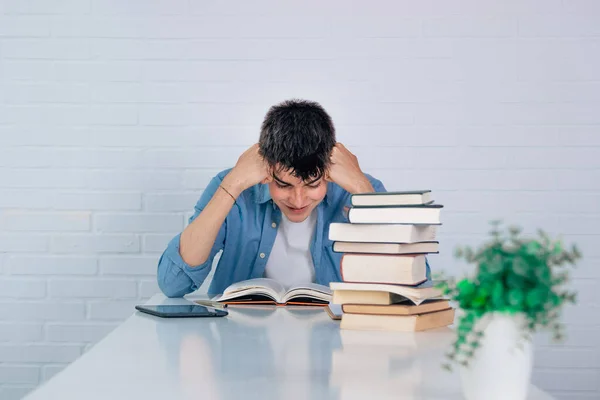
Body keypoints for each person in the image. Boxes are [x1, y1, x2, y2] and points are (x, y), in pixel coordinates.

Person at [157, 99, 423, 298]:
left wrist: (362, 189)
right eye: (283, 185)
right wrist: (233, 184)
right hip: (237, 344)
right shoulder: (231, 187)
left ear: (329, 173)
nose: (298, 200)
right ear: (266, 169)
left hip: (334, 344)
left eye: (312, 185)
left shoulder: (361, 190)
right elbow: (173, 284)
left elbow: (414, 287)